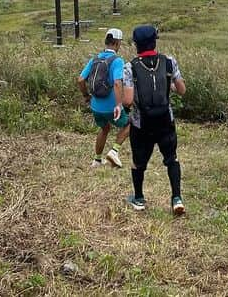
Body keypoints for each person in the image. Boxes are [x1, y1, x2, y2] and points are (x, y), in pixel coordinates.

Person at [122, 24, 186, 215]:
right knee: (171, 159)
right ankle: (176, 198)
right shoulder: (168, 62)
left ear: (136, 44)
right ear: (154, 41)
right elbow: (181, 89)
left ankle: (139, 199)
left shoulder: (129, 67)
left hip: (141, 124)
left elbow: (127, 99)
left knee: (138, 163)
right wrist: (168, 86)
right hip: (166, 121)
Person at [78, 28, 130, 168]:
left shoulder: (95, 59)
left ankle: (96, 160)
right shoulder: (117, 60)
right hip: (110, 106)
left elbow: (81, 80)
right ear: (117, 43)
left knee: (104, 128)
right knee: (129, 125)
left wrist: (86, 96)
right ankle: (114, 151)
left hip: (96, 106)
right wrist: (119, 105)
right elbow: (118, 83)